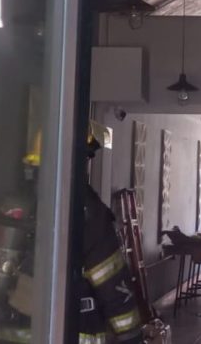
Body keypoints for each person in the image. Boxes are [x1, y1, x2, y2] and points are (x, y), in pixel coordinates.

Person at [77, 136, 143, 344]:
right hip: (74, 325)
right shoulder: (88, 211)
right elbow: (112, 282)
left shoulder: (15, 206)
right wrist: (131, 336)